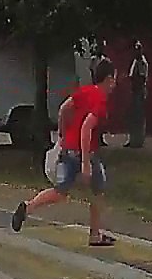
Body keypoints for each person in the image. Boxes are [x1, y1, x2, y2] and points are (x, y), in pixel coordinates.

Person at [12, 57, 117, 247]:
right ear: (108, 79)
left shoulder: (83, 91)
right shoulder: (101, 100)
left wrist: (62, 132)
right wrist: (85, 162)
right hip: (86, 153)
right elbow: (86, 129)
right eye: (113, 80)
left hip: (68, 149)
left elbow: (63, 109)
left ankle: (28, 207)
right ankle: (95, 235)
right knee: (98, 192)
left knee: (60, 192)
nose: (114, 85)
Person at [126, 42, 149, 148]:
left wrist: (135, 84)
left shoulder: (142, 63)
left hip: (139, 91)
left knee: (138, 116)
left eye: (138, 50)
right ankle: (133, 139)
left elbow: (141, 78)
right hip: (134, 91)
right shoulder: (135, 61)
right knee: (133, 116)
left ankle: (138, 140)